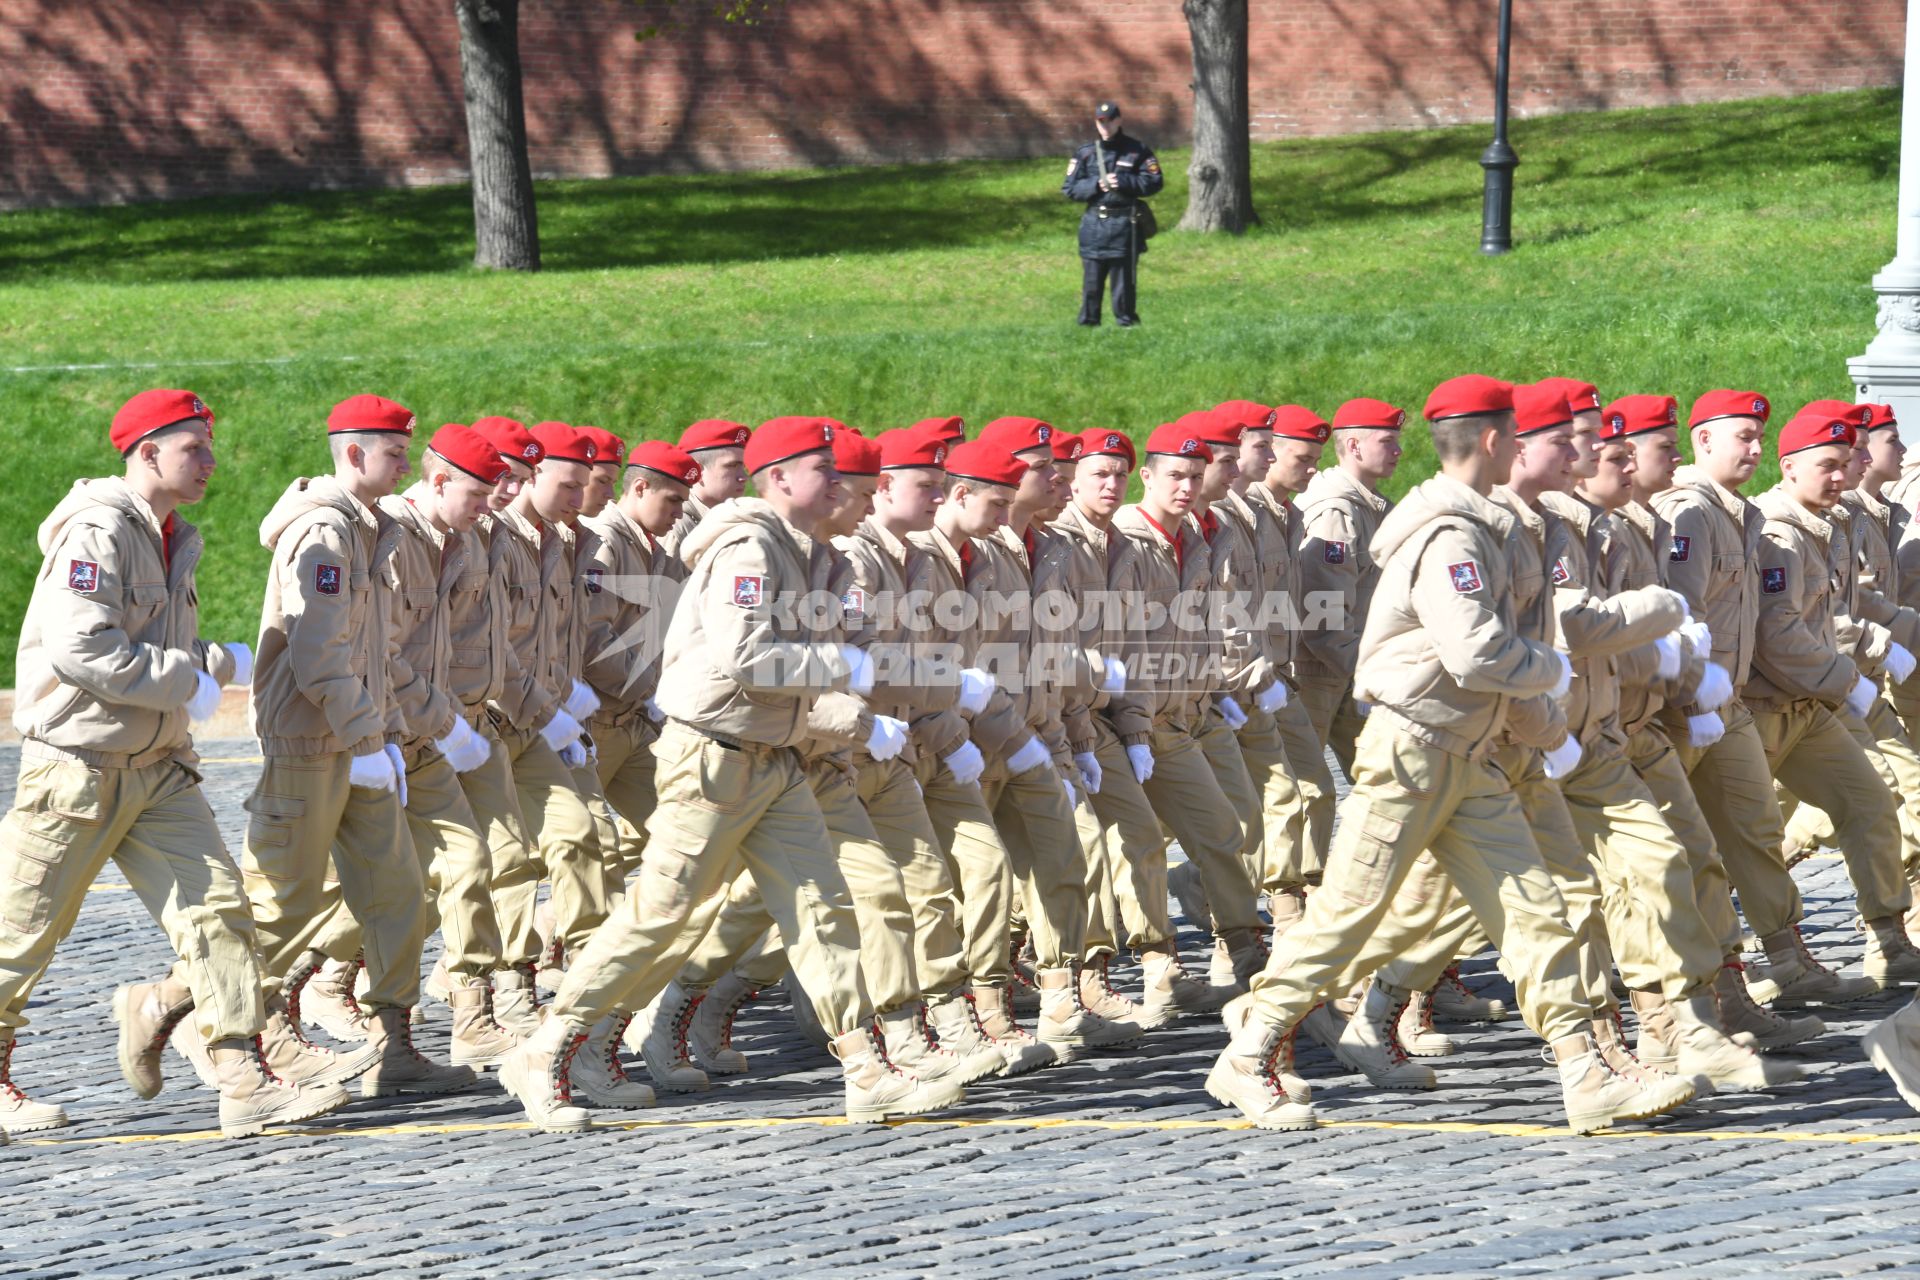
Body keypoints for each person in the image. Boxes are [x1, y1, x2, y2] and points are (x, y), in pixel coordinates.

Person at [499, 416, 964, 1132]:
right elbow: (745, 653)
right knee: (659, 914)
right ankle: (550, 1046)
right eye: (825, 472)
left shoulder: (812, 555)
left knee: (823, 909)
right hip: (712, 757)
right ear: (778, 478)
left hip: (774, 759)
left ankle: (866, 1068)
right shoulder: (750, 545)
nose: (841, 486)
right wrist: (845, 671)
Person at [0, 389, 343, 1140]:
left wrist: (214, 662)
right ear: (146, 453)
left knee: (218, 913)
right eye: (195, 447)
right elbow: (81, 646)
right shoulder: (98, 530)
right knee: (19, 934)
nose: (212, 461)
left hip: (158, 768)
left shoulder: (172, 534)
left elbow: (158, 648)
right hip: (77, 767)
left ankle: (239, 1075)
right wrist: (188, 680)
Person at [242, 393, 475, 1098]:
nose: (406, 461)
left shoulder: (368, 528)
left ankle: (394, 1042)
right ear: (352, 453)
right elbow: (318, 654)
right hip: (310, 742)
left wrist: (379, 735)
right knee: (283, 903)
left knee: (398, 889)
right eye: (395, 451)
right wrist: (366, 737)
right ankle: (201, 1016)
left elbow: (372, 648)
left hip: (359, 738)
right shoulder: (324, 532)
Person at [1063, 101, 1163, 328]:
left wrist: (1125, 181)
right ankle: (1088, 324)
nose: (1105, 125)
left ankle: (1126, 324)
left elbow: (1154, 182)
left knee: (1124, 283)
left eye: (1110, 121)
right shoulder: (1085, 153)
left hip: (1125, 224)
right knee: (1091, 283)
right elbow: (1070, 188)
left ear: (1119, 121)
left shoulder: (1137, 151)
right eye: (1101, 122)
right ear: (1096, 123)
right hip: (1094, 224)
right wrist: (1096, 185)